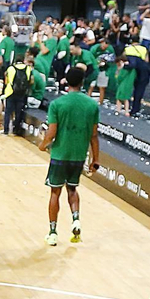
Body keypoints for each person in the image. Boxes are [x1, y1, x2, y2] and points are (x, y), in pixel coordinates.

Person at [38, 62, 99, 246]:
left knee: (55, 192)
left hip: (59, 154)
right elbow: (94, 136)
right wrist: (95, 159)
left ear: (66, 82)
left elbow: (51, 132)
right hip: (79, 155)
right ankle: (76, 219)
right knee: (72, 190)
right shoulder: (92, 105)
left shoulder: (57, 104)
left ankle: (53, 232)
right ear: (83, 82)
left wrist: (43, 145)